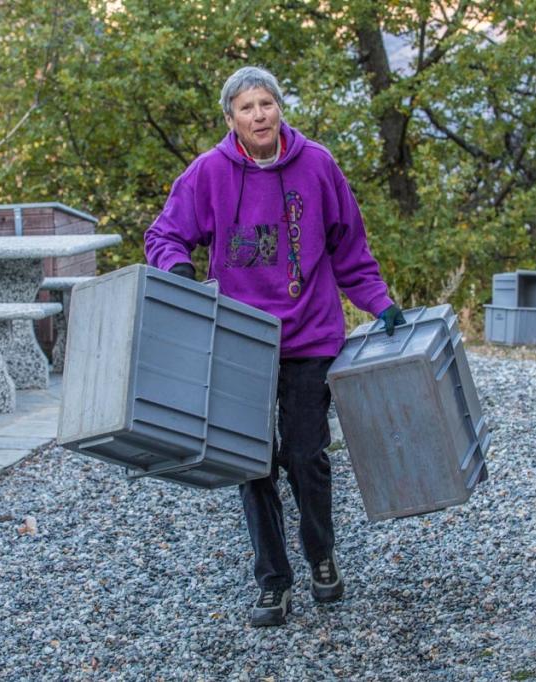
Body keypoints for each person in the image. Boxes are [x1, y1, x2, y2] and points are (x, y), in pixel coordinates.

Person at [144, 65, 405, 627]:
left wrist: (379, 302)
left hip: (311, 334)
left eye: (266, 103)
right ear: (231, 118)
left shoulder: (318, 165)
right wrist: (178, 270)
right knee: (252, 462)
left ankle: (321, 556)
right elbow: (164, 234)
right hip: (240, 341)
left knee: (305, 455)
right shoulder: (209, 172)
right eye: (247, 107)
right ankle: (273, 581)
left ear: (279, 108)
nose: (259, 115)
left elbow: (350, 248)